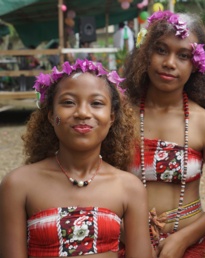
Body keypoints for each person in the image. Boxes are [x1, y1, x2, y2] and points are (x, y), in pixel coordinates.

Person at [0, 59, 153, 258]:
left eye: (96, 103)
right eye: (68, 102)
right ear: (50, 114)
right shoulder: (18, 185)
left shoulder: (129, 188)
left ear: (112, 117)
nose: (82, 112)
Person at [123, 10, 205, 258]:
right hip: (125, 245)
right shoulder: (119, 117)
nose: (169, 63)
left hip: (192, 245)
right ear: (145, 53)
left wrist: (183, 239)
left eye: (183, 55)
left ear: (196, 63)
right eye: (161, 50)